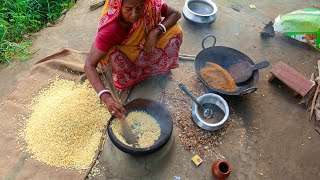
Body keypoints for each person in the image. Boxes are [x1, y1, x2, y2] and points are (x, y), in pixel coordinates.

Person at [84, 0, 183, 120]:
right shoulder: (111, 29)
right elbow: (89, 65)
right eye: (128, 9)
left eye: (140, 7)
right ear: (119, 6)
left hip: (146, 47)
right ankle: (133, 76)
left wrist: (155, 31)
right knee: (112, 55)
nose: (134, 14)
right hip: (126, 59)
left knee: (175, 31)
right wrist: (106, 97)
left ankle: (159, 69)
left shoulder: (150, 5)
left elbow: (176, 14)